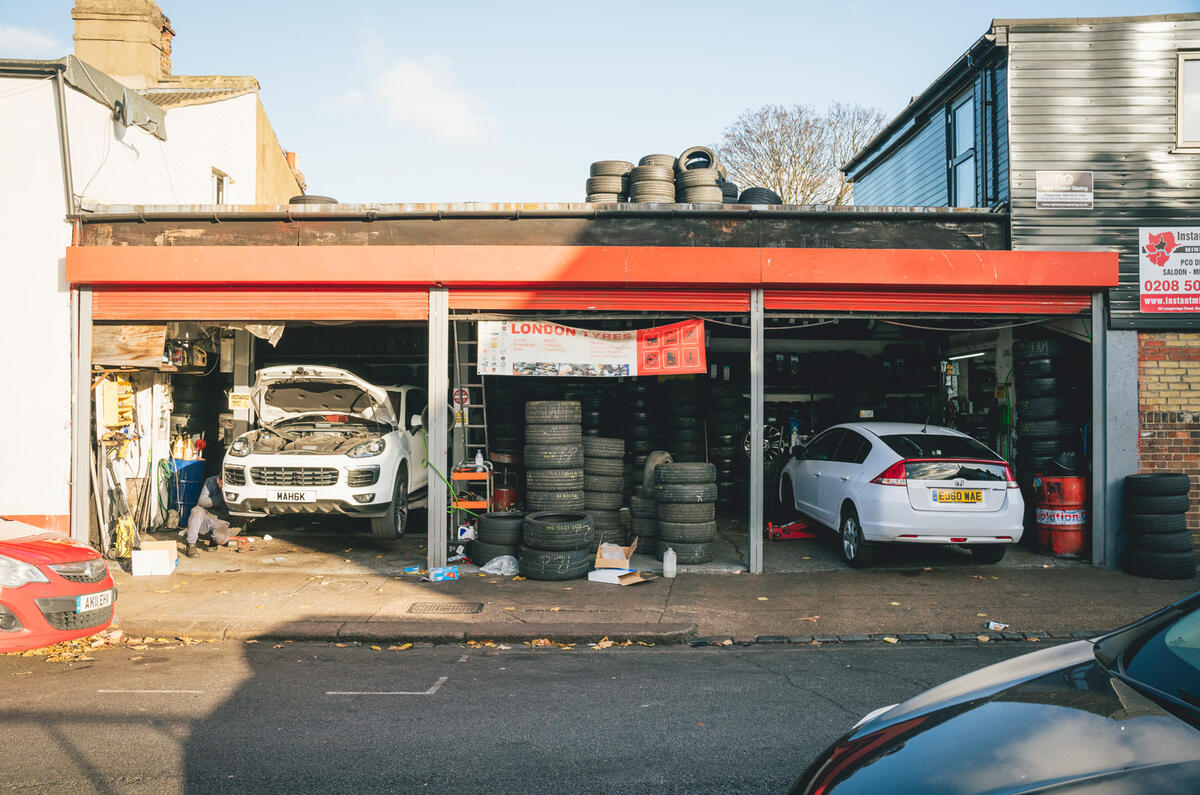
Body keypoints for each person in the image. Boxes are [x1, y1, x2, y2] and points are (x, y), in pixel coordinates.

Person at [184, 474, 232, 557]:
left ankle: (214, 541)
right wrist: (222, 498)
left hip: (221, 521)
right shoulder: (211, 481)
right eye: (223, 484)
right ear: (218, 480)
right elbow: (202, 501)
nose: (226, 487)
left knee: (221, 538)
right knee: (196, 511)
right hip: (206, 516)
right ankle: (191, 544)